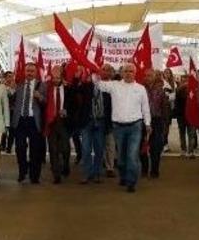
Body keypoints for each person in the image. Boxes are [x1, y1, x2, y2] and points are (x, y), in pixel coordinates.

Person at [95, 63, 152, 193]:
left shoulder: (141, 88)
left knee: (132, 155)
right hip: (118, 127)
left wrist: (148, 124)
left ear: (135, 73)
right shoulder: (114, 85)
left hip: (135, 126)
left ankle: (131, 182)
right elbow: (98, 84)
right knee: (121, 157)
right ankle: (123, 176)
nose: (128, 73)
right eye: (126, 71)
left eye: (131, 71)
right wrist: (94, 68)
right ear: (121, 73)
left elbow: (145, 108)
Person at [72, 63, 111, 184]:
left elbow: (110, 107)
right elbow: (74, 90)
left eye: (99, 74)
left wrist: (109, 124)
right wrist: (77, 78)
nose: (97, 76)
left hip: (101, 121)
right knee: (86, 149)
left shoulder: (108, 88)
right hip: (87, 122)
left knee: (99, 149)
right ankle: (86, 174)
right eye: (95, 74)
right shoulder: (86, 85)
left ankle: (97, 173)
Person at [10, 62, 46, 183]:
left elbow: (47, 102)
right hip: (20, 120)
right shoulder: (19, 85)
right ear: (25, 72)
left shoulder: (42, 85)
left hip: (34, 121)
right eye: (28, 71)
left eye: (32, 71)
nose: (29, 73)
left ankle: (34, 176)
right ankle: (22, 170)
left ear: (36, 73)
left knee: (35, 149)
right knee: (20, 148)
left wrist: (40, 97)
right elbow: (12, 100)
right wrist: (11, 90)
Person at [44, 65, 72, 183]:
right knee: (53, 149)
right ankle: (56, 174)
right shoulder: (47, 87)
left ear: (61, 77)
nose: (55, 80)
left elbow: (75, 104)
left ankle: (66, 165)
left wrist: (67, 111)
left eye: (58, 77)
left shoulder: (68, 88)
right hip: (51, 122)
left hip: (64, 122)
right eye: (53, 77)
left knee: (65, 148)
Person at [142, 69, 171, 178]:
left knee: (156, 147)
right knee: (142, 146)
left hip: (157, 120)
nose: (147, 77)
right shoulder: (140, 89)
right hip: (142, 121)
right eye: (146, 75)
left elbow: (165, 108)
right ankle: (144, 169)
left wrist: (166, 124)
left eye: (150, 75)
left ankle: (154, 170)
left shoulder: (160, 90)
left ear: (154, 77)